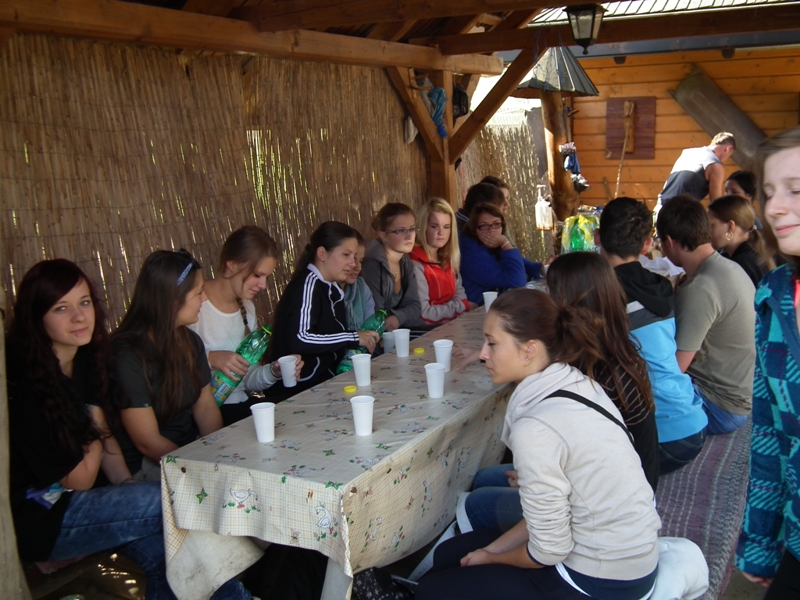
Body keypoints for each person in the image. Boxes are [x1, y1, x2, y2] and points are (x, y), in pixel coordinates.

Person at [6, 259, 250, 600]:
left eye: (84, 302)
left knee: (165, 551)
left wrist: (124, 484)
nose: (79, 317)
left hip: (93, 497)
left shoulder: (84, 360)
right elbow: (81, 476)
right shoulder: (27, 387)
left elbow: (105, 440)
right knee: (176, 501)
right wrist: (97, 430)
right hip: (46, 517)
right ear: (36, 317)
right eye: (61, 308)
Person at [416, 289, 660, 600]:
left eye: (492, 343)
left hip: (601, 579)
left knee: (432, 591)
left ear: (530, 349)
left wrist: (491, 558)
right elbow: (548, 517)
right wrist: (490, 550)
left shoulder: (536, 428)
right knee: (449, 555)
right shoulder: (577, 381)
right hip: (630, 554)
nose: (483, 354)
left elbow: (548, 550)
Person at [464, 252, 659, 531]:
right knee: (486, 478)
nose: (546, 298)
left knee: (478, 502)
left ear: (570, 299)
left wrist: (536, 479)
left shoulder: (595, 372)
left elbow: (592, 468)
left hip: (608, 502)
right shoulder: (612, 347)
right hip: (606, 478)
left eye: (550, 290)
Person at [597, 197, 708, 474]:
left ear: (597, 237)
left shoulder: (603, 294)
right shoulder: (663, 286)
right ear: (647, 245)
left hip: (659, 437)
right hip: (693, 422)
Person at [736, 125, 800, 595]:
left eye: (796, 190)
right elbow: (769, 434)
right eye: (770, 191)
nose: (774, 208)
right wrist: (761, 540)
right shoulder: (775, 297)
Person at [113, 250, 226, 481]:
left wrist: (219, 454)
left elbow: (205, 406)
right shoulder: (127, 356)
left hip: (190, 450)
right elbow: (147, 442)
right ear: (173, 300)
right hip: (150, 464)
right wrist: (199, 469)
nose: (205, 298)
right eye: (199, 292)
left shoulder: (190, 341)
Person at [656, 195, 755, 434]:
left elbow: (674, 369)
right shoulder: (729, 266)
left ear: (669, 241)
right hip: (737, 396)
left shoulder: (700, 288)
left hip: (718, 405)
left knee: (628, 401)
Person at [189, 226, 302, 425]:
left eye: (266, 277)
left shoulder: (247, 308)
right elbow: (167, 364)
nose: (263, 285)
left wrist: (274, 371)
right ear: (232, 265)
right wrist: (209, 359)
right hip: (205, 414)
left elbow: (248, 380)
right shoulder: (194, 305)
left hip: (241, 405)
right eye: (257, 275)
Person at [269, 221, 379, 394]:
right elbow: (301, 338)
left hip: (325, 380)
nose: (353, 263)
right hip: (300, 389)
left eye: (355, 257)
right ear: (322, 254)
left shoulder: (331, 288)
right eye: (346, 255)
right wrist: (353, 337)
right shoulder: (308, 286)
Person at [409, 198, 477, 327]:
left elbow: (460, 297)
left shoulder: (448, 257)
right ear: (423, 227)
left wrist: (459, 306)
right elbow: (424, 314)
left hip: (451, 326)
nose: (441, 233)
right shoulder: (415, 262)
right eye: (434, 226)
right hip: (425, 332)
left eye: (446, 227)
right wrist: (462, 307)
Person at [459, 203, 540, 305]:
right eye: (484, 226)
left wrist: (542, 269)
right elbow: (517, 280)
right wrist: (505, 243)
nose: (491, 230)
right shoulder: (471, 253)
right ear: (474, 229)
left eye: (496, 224)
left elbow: (525, 265)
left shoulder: (493, 246)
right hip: (477, 309)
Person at [361, 203, 421, 331]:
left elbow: (415, 306)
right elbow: (375, 314)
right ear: (383, 235)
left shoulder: (404, 259)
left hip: (399, 331)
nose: (409, 236)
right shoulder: (372, 263)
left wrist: (398, 318)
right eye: (400, 231)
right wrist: (400, 317)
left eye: (412, 229)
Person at [707, 194, 771, 287]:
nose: (706, 231)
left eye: (711, 225)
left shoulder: (740, 265)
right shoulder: (752, 253)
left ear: (730, 227)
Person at [660, 132, 736, 203]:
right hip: (680, 209)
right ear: (728, 149)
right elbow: (716, 202)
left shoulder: (687, 153)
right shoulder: (715, 164)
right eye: (729, 156)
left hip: (661, 205)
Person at [343, 239, 375, 330]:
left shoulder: (361, 287)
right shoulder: (323, 290)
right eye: (353, 259)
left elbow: (370, 329)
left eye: (360, 261)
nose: (358, 267)